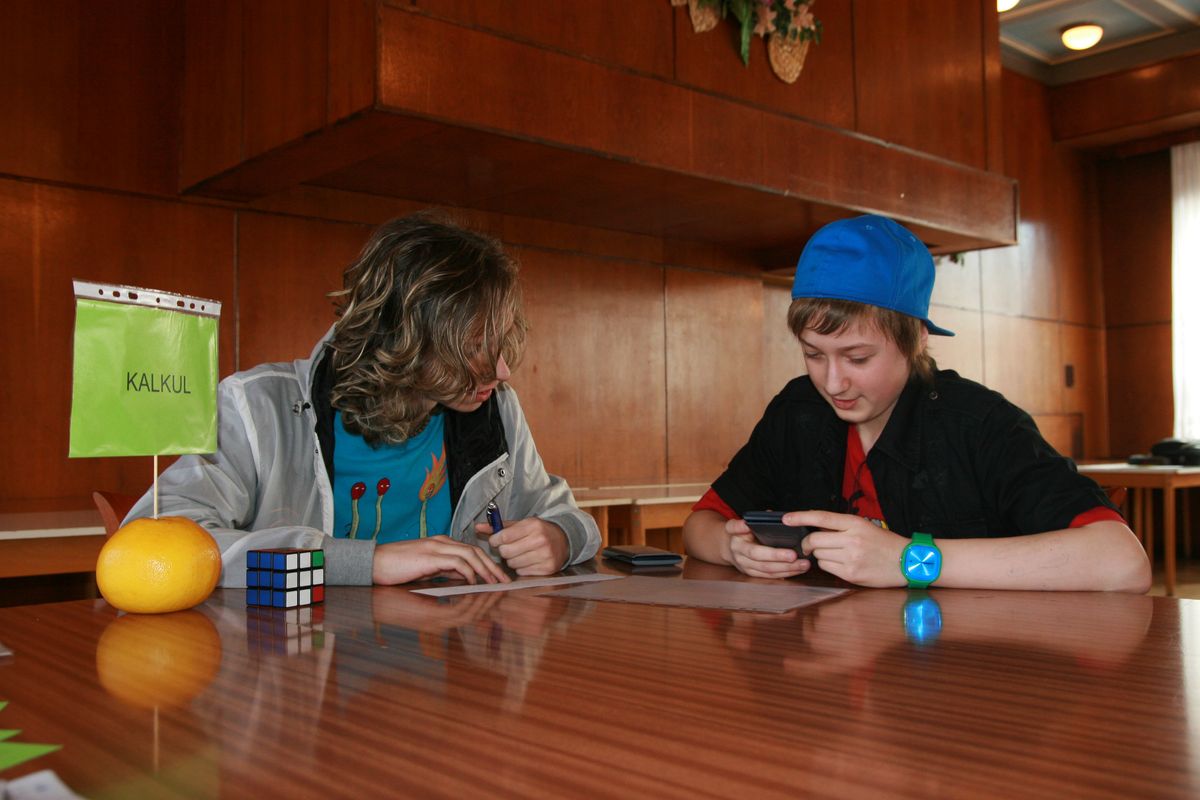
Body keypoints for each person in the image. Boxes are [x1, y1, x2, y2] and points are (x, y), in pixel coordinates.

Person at [127, 212, 601, 587]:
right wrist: (363, 563)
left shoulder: (494, 408)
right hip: (298, 670)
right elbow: (154, 540)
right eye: (474, 346)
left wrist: (561, 536)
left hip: (458, 671)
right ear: (401, 335)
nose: (501, 371)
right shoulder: (256, 406)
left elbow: (567, 515)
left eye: (500, 342)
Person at [683, 214, 1151, 592]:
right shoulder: (797, 411)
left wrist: (909, 560)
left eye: (858, 357)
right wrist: (732, 549)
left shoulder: (978, 422)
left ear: (917, 340)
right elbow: (700, 523)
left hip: (960, 667)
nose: (833, 382)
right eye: (813, 354)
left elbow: (1122, 562)